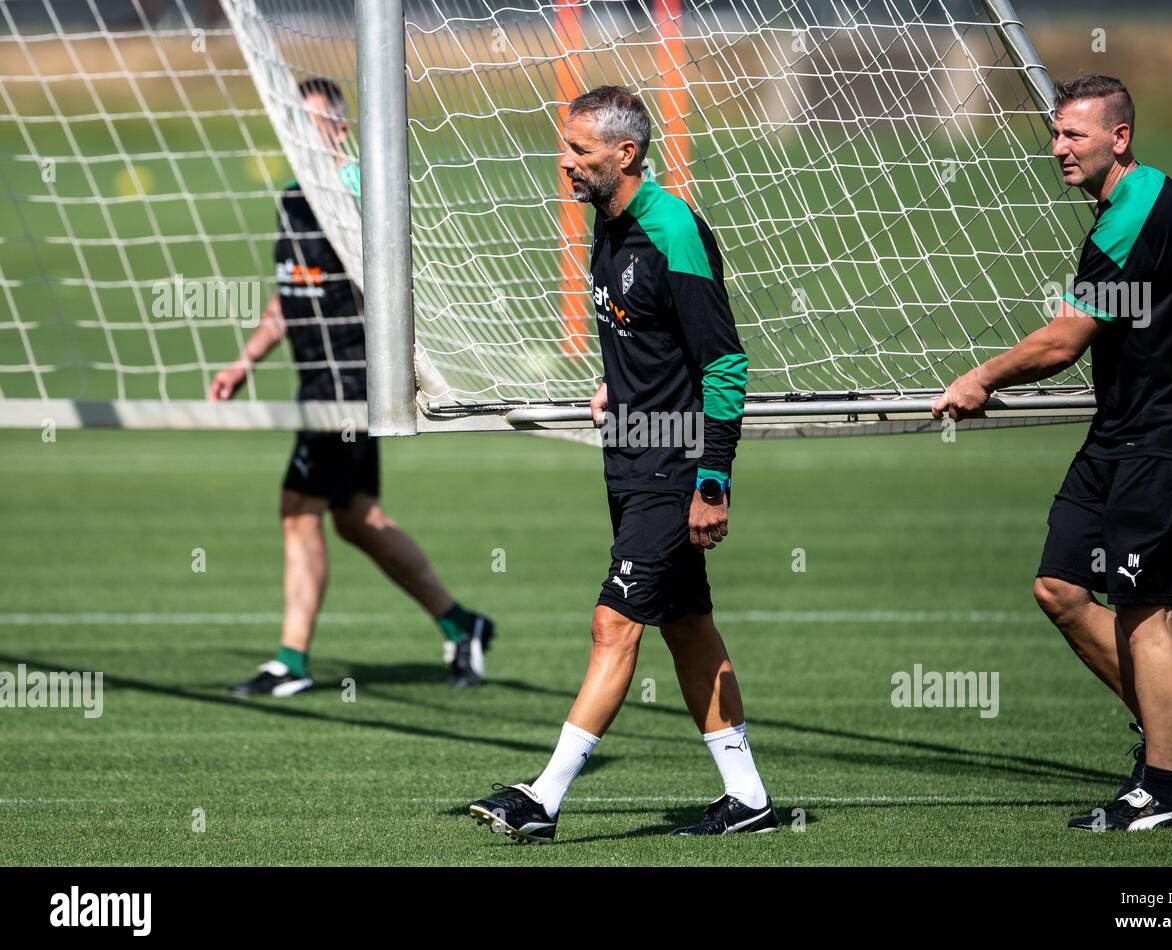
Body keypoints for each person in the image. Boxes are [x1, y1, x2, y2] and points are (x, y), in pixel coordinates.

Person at [467, 86, 775, 842]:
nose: (564, 161)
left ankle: (542, 797)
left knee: (615, 624)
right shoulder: (606, 225)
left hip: (675, 463)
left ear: (624, 154)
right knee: (687, 624)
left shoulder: (672, 229)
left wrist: (713, 480)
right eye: (565, 146)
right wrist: (619, 381)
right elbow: (648, 332)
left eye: (579, 149)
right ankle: (749, 799)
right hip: (629, 458)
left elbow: (724, 361)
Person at [932, 75, 1172, 831]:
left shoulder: (1127, 220)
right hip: (1120, 433)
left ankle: (1161, 788)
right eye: (1056, 133)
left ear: (1119, 138)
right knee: (1060, 589)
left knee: (1143, 612)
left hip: (1163, 438)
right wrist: (1167, 336)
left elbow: (1063, 342)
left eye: (1074, 135)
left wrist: (980, 377)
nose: (1058, 148)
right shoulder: (1160, 193)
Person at [210, 78, 494, 693]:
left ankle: (291, 661)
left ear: (339, 127)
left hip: (348, 383)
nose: (301, 134)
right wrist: (245, 361)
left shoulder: (360, 191)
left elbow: (393, 282)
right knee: (357, 519)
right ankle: (461, 623)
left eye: (313, 122)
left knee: (297, 510)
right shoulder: (292, 198)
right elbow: (291, 293)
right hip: (314, 379)